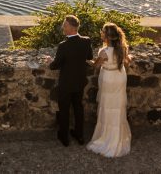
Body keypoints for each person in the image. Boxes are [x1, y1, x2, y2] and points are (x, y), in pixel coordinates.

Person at [87, 22, 132, 157]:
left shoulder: (104, 51)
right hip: (119, 76)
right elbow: (128, 61)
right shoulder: (122, 48)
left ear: (106, 36)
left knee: (107, 105)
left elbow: (95, 65)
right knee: (118, 105)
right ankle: (118, 136)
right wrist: (131, 57)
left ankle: (106, 137)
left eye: (102, 32)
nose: (101, 34)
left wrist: (86, 60)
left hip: (108, 77)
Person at [47, 14, 93, 146]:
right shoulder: (86, 41)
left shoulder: (63, 45)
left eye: (65, 25)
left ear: (72, 28)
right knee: (78, 108)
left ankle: (64, 137)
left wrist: (51, 61)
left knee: (64, 109)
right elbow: (89, 56)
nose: (63, 27)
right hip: (79, 82)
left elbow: (55, 66)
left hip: (66, 84)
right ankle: (79, 136)